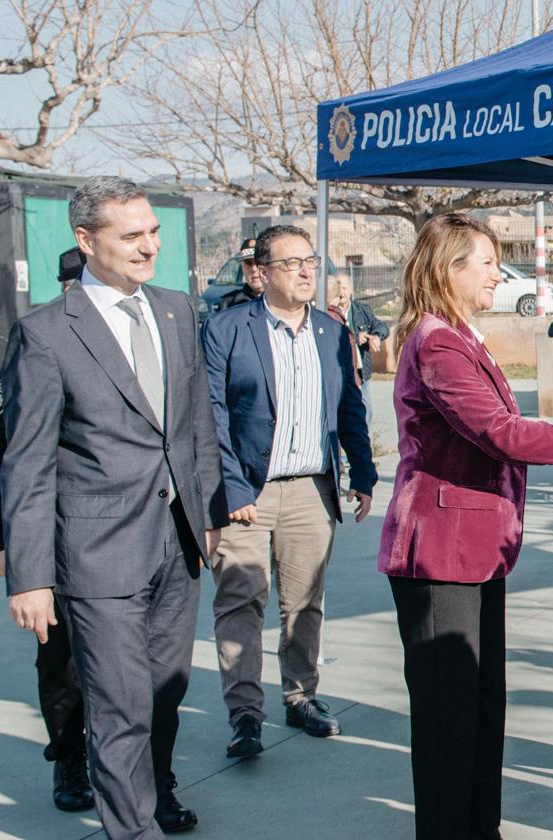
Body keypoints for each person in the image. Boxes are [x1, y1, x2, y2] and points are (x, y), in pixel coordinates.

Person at [379, 212, 553, 840]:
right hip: (440, 554)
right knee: (450, 721)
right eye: (489, 262)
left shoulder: (459, 335)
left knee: (480, 707)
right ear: (450, 269)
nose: (501, 273)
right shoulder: (439, 341)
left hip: (474, 551)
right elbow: (502, 433)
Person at [1, 176, 225, 839]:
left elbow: (195, 428)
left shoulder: (177, 310)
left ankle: (153, 797)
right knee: (118, 704)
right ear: (85, 239)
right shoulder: (45, 334)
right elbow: (28, 460)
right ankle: (132, 829)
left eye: (153, 232)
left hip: (176, 545)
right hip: (97, 555)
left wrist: (207, 515)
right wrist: (31, 575)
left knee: (165, 694)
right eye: (131, 236)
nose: (148, 246)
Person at [201, 224, 378, 760]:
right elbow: (210, 417)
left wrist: (363, 476)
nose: (306, 272)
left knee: (305, 604)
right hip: (246, 494)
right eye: (291, 263)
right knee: (241, 602)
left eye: (311, 261)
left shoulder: (330, 331)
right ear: (260, 273)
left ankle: (301, 696)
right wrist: (232, 487)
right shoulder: (227, 329)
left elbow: (351, 408)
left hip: (311, 490)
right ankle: (244, 714)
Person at [0, 249, 93, 814]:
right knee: (62, 662)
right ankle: (69, 758)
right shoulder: (33, 346)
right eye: (75, 285)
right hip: (47, 539)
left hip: (112, 537)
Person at [328, 274, 389, 429]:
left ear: (351, 290)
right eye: (338, 287)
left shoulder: (362, 310)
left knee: (366, 408)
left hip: (362, 370)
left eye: (344, 288)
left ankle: (364, 442)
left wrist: (376, 336)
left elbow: (381, 326)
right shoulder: (329, 312)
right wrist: (356, 337)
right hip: (341, 369)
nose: (341, 292)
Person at [216, 238, 264, 311]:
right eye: (248, 263)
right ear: (242, 267)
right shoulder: (228, 304)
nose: (254, 269)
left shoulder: (282, 299)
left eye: (258, 262)